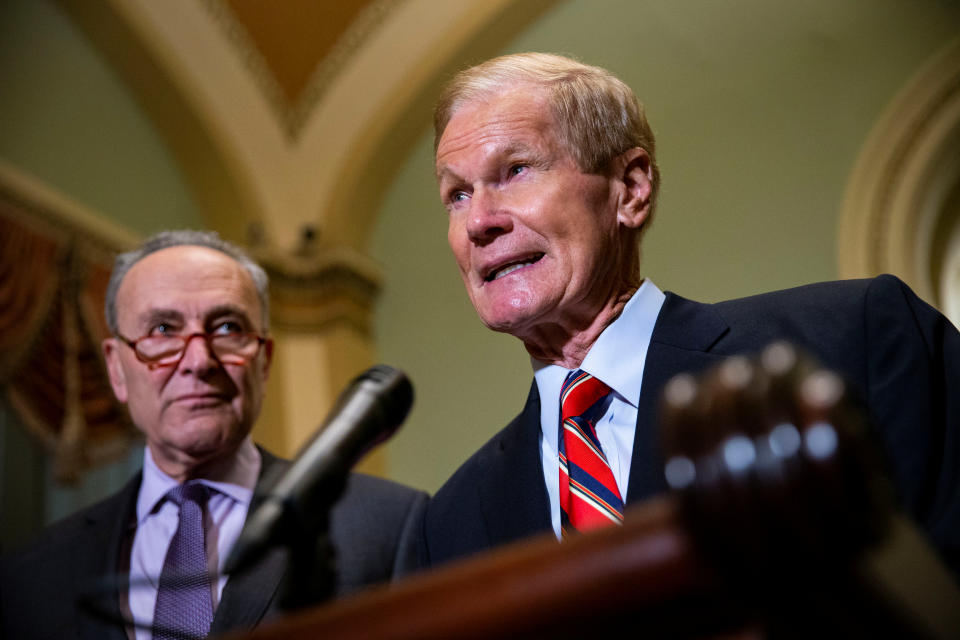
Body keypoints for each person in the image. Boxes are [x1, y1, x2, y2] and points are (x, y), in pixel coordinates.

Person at [420, 52, 959, 577]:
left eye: (515, 170)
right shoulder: (449, 525)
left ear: (630, 189)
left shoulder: (852, 342)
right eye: (458, 194)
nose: (478, 222)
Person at [0, 230, 428, 640]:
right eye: (163, 330)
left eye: (227, 328)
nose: (199, 360)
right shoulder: (31, 575)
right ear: (116, 369)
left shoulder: (386, 524)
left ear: (263, 361)